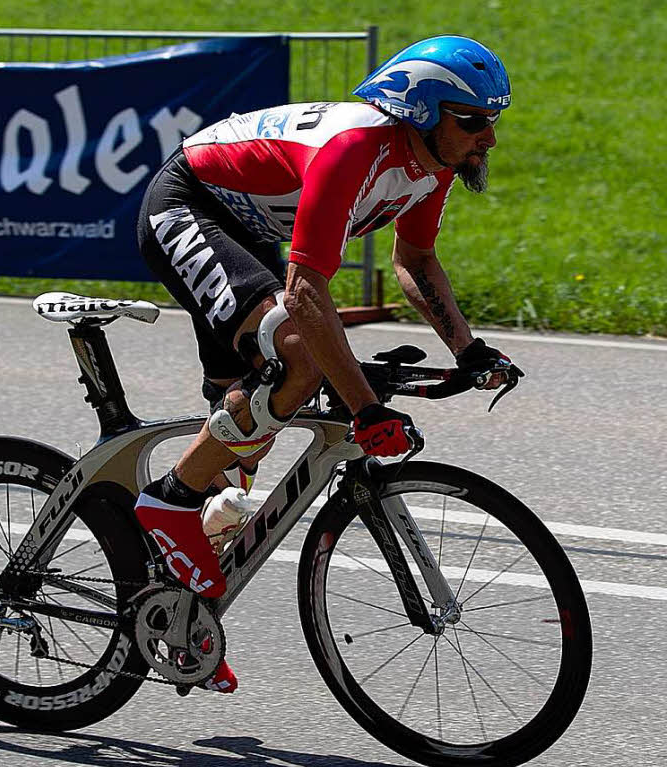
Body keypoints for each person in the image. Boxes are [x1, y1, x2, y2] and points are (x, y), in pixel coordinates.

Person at [133, 35, 522, 693]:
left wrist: (469, 349)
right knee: (300, 357)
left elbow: (415, 260)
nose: (488, 137)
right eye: (474, 120)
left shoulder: (431, 163)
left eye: (494, 119)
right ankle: (167, 501)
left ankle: (177, 614)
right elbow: (307, 292)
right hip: (188, 203)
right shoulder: (355, 151)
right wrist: (366, 409)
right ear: (424, 110)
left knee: (237, 472)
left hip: (246, 228)